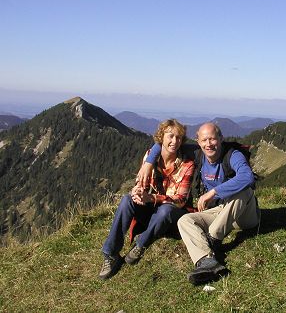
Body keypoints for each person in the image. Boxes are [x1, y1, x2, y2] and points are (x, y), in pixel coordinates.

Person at [138, 122, 260, 285]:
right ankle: (207, 262)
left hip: (244, 215)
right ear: (198, 142)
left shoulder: (232, 155)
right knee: (185, 220)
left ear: (221, 139)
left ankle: (214, 238)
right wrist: (148, 163)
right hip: (220, 211)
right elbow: (161, 144)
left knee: (245, 190)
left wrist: (213, 192)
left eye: (212, 139)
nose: (208, 144)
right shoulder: (197, 153)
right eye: (204, 140)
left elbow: (247, 177)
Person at [99, 119, 194, 280]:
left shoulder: (187, 164)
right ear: (161, 138)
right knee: (127, 200)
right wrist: (138, 191)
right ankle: (111, 253)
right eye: (170, 136)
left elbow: (181, 200)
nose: (174, 141)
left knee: (166, 210)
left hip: (172, 214)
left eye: (178, 138)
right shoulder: (151, 156)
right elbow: (142, 182)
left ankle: (140, 245)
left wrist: (152, 197)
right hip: (152, 208)